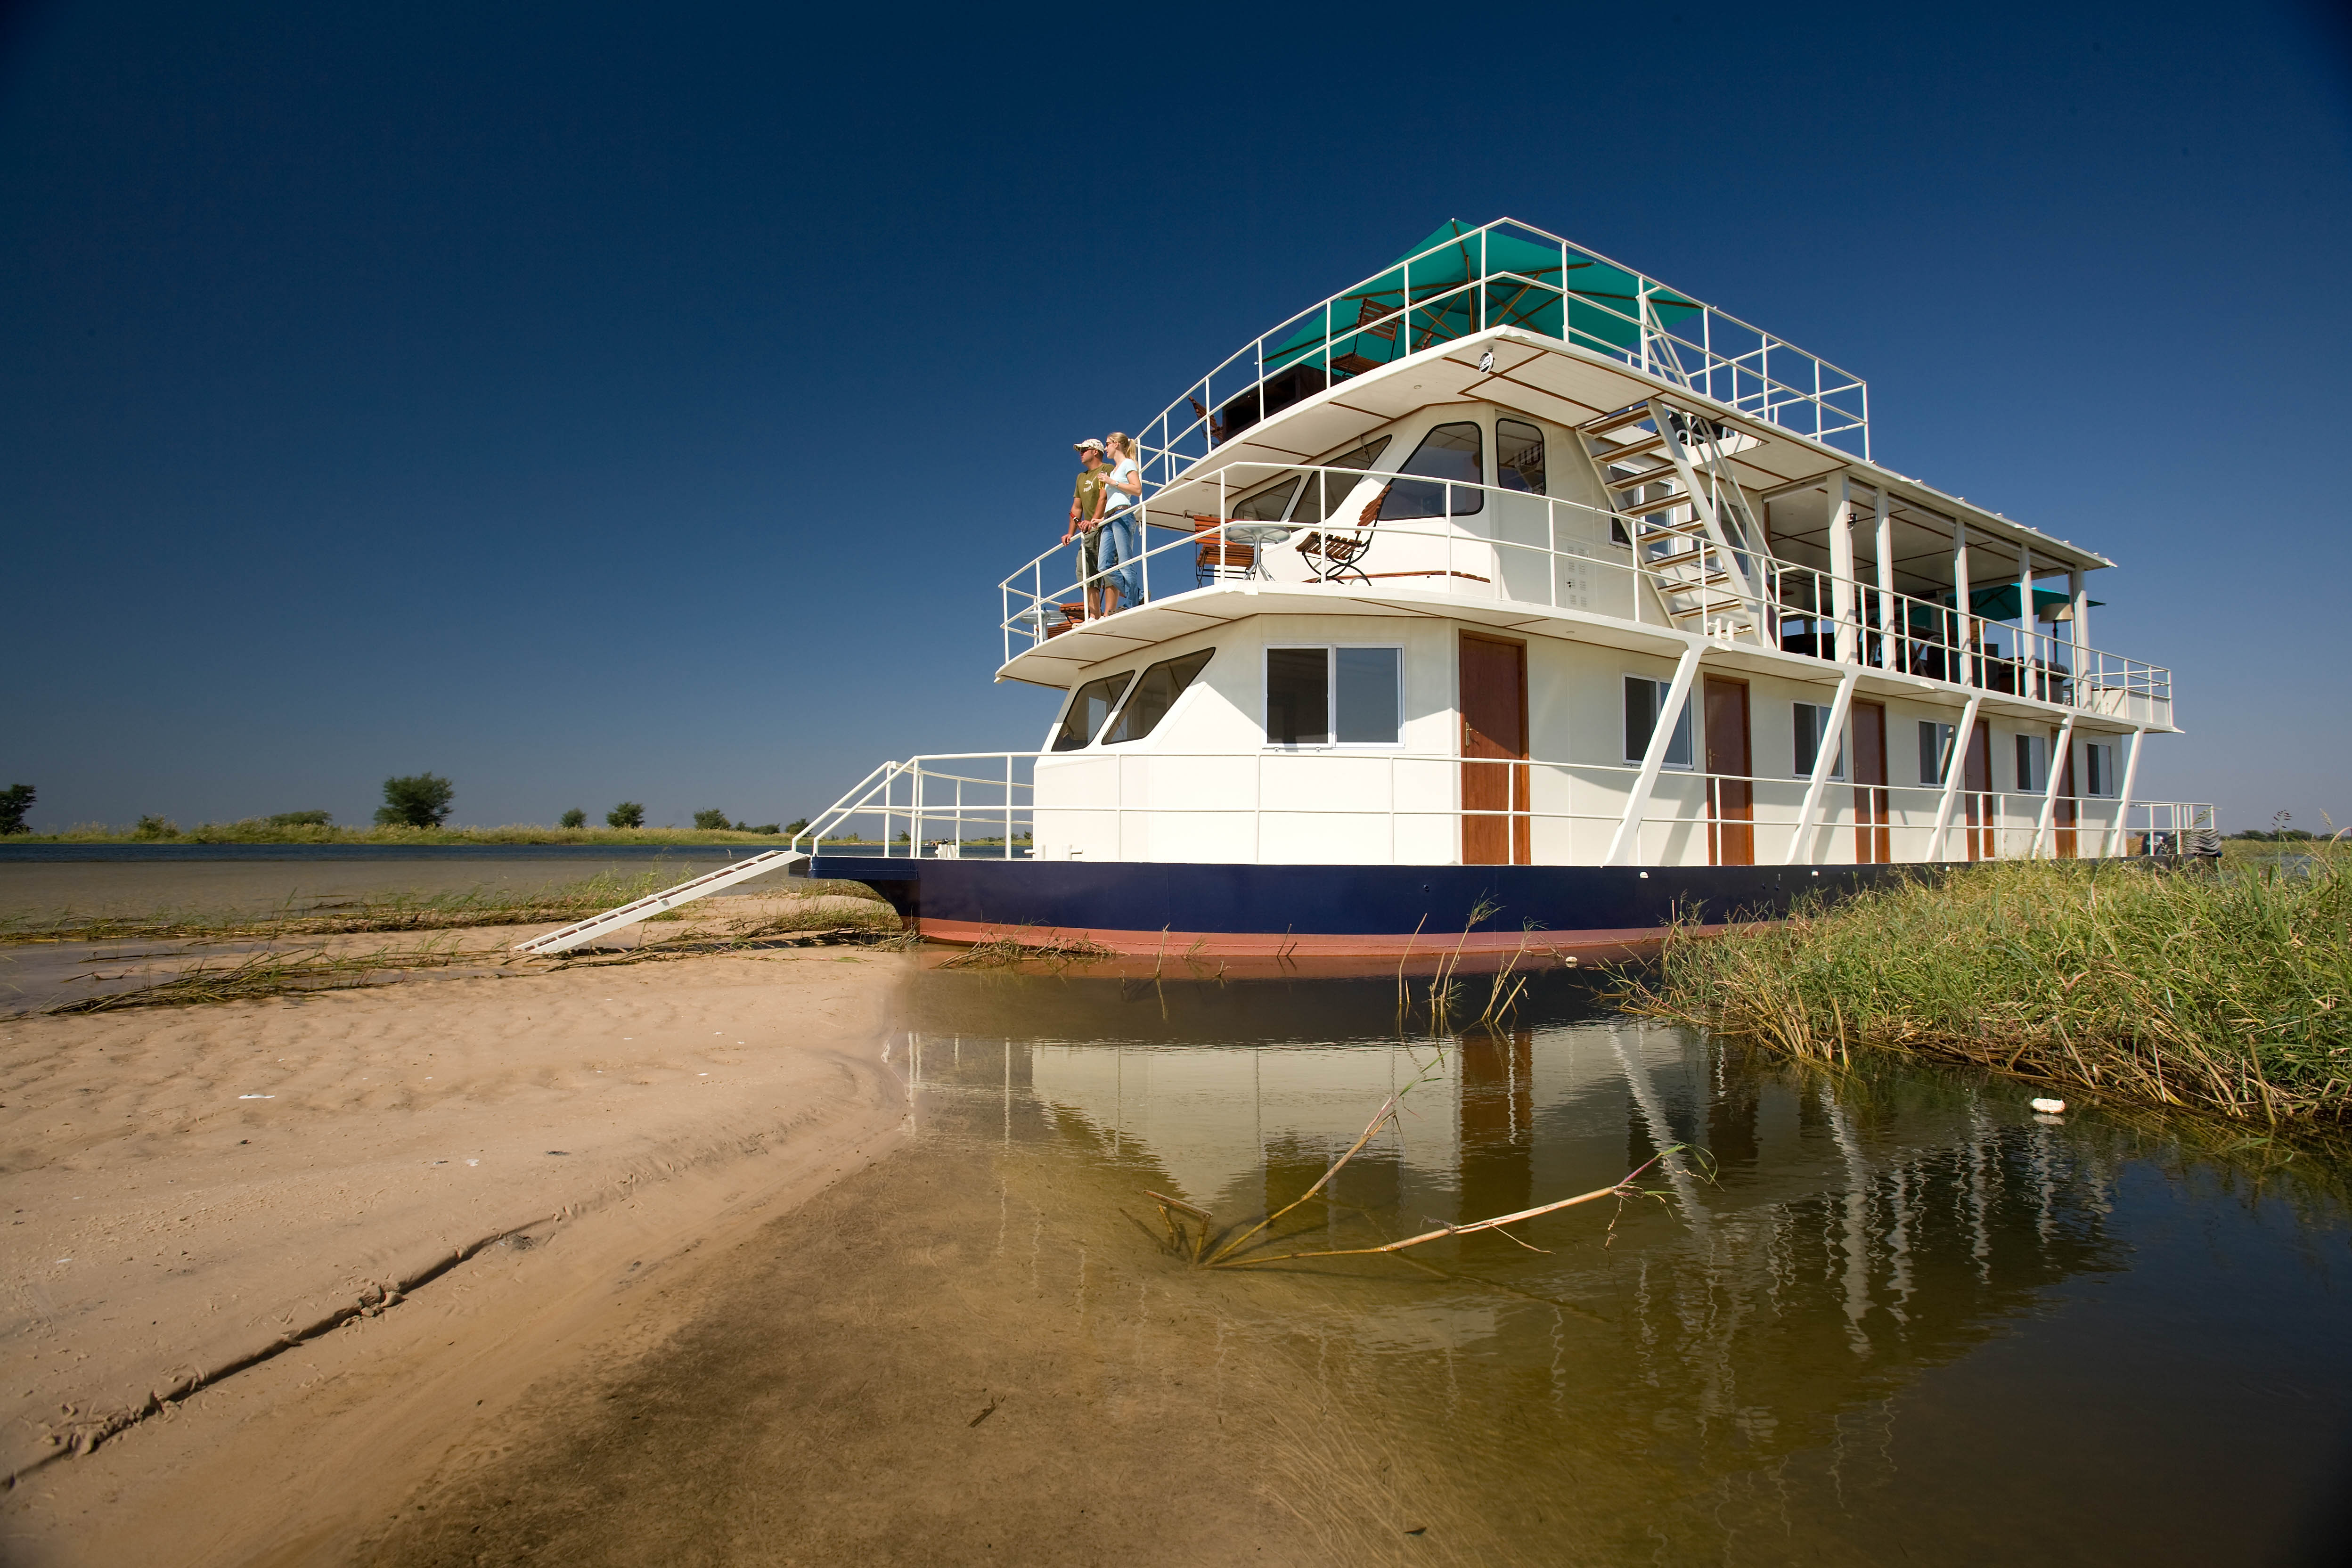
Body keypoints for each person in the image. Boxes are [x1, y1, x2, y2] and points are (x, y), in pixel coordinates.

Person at [1062, 437, 1110, 618]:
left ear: (1096, 451)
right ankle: (1094, 615)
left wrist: (1095, 520)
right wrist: (1070, 532)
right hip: (1088, 532)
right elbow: (1077, 507)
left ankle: (1136, 596)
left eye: (1084, 450)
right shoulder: (1081, 477)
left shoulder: (1107, 470)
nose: (1081, 454)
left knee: (1108, 569)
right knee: (1085, 572)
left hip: (1104, 527)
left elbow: (1103, 497)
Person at [1098, 431, 1143, 612]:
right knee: (1104, 565)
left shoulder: (1128, 464)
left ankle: (1131, 603)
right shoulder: (1115, 469)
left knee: (1125, 563)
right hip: (1110, 517)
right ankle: (1137, 596)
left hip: (1123, 514)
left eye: (1107, 444)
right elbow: (1113, 498)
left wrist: (1111, 482)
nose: (1105, 448)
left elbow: (1137, 489)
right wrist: (1100, 519)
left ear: (1116, 444)